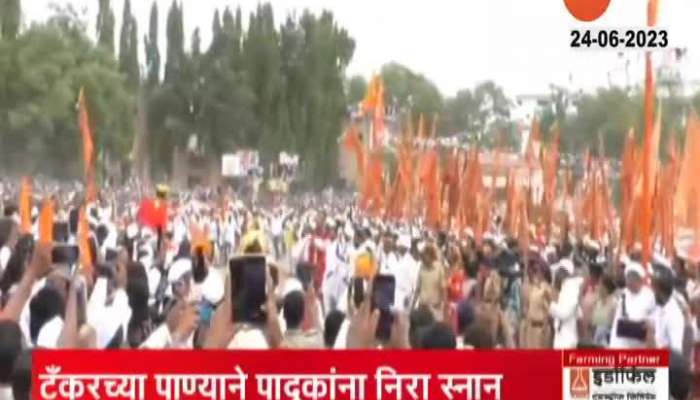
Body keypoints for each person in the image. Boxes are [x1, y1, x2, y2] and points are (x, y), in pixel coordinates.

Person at [610, 261, 656, 349]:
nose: (630, 281)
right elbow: (617, 319)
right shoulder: (624, 294)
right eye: (628, 277)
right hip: (620, 342)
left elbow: (652, 320)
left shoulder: (649, 296)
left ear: (640, 280)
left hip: (638, 344)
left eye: (633, 278)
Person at [649, 265, 686, 356]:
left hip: (662, 364)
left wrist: (653, 346)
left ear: (659, 289)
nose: (651, 290)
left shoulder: (674, 314)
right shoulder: (656, 305)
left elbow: (675, 353)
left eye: (653, 286)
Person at [549, 263, 584, 349]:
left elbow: (564, 314)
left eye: (559, 272)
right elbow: (579, 314)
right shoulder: (564, 289)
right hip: (560, 336)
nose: (556, 275)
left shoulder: (572, 290)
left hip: (567, 339)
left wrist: (550, 305)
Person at [521, 260, 552, 348]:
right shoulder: (534, 288)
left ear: (543, 273)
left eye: (537, 270)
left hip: (541, 329)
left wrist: (545, 329)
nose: (535, 273)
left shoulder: (547, 289)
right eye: (535, 270)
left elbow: (549, 311)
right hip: (530, 327)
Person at [413, 244, 446, 321]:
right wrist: (413, 305)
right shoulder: (421, 267)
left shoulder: (439, 268)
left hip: (434, 306)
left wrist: (443, 305)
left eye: (424, 256)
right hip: (422, 306)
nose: (423, 259)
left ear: (431, 256)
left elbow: (443, 288)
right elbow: (418, 288)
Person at [589, 274, 617, 346]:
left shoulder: (614, 303)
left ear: (606, 288)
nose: (597, 287)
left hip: (608, 340)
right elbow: (592, 323)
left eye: (600, 285)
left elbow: (613, 324)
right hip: (596, 339)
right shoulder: (597, 302)